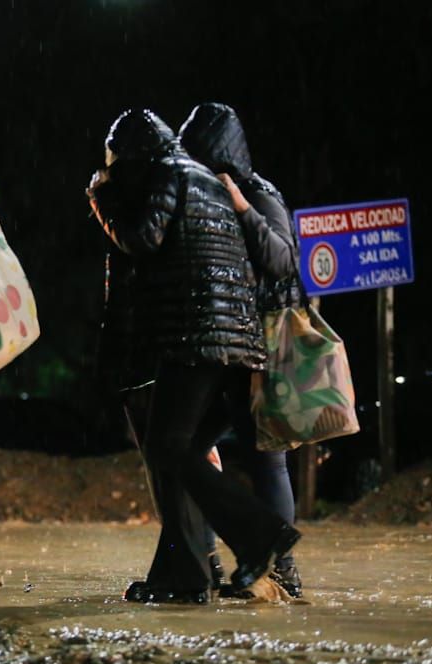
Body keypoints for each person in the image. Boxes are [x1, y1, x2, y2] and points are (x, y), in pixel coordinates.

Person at [87, 109, 300, 603]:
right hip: (232, 339)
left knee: (171, 450)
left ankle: (259, 538)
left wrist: (102, 199)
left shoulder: (172, 173)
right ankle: (183, 576)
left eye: (112, 156)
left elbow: (143, 239)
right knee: (174, 456)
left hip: (196, 335)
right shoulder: (208, 180)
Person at [179, 102, 304, 597]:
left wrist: (242, 208)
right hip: (226, 343)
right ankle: (209, 561)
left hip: (263, 344)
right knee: (187, 449)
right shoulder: (202, 193)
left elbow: (281, 260)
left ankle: (281, 571)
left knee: (266, 457)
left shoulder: (257, 192)